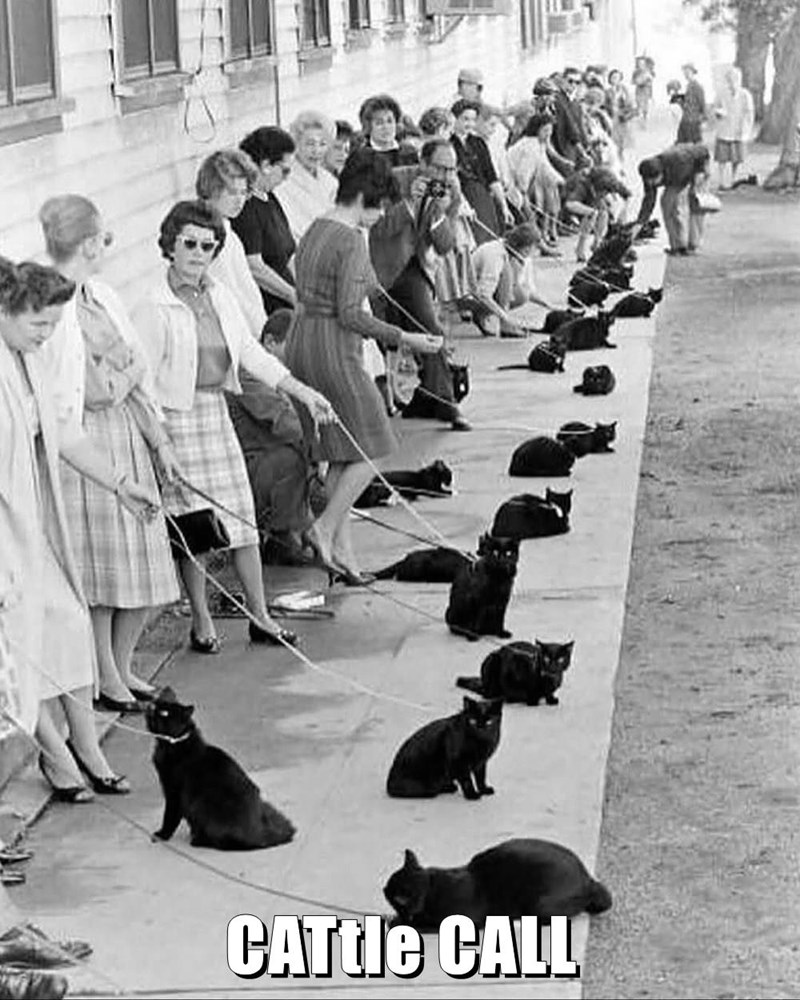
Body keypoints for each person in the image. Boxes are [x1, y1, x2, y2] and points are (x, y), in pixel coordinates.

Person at [133, 201, 336, 652]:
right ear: (169, 245)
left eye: (207, 246)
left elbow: (249, 352)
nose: (198, 253)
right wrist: (160, 440)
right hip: (176, 421)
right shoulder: (152, 304)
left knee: (241, 521)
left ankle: (260, 616)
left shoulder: (220, 294)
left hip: (214, 413)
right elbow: (141, 381)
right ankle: (201, 620)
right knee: (197, 528)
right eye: (189, 243)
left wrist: (302, 391)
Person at [1, 258, 159, 802]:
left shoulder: (28, 360)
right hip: (4, 531)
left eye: (52, 324)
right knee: (18, 646)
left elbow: (64, 433)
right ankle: (57, 754)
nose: (46, 335)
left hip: (30, 522)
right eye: (37, 323)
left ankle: (85, 746)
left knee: (68, 623)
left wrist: (121, 484)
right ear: (4, 311)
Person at [39, 195, 181, 716]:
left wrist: (158, 436)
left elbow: (136, 364)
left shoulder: (101, 294)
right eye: (102, 237)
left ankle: (123, 663)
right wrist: (120, 376)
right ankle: (104, 674)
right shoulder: (53, 305)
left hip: (124, 432)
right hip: (85, 443)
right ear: (84, 243)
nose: (107, 246)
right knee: (102, 570)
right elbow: (85, 390)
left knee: (140, 559)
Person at [284, 153, 442, 584]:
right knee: (375, 444)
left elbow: (304, 274)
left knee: (343, 450)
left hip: (302, 338)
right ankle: (322, 529)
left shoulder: (317, 226)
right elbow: (352, 313)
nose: (383, 214)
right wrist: (406, 338)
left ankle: (342, 555)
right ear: (366, 197)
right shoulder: (351, 237)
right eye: (382, 204)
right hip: (334, 347)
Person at [368, 138, 471, 429]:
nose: (445, 176)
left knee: (431, 328)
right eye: (439, 168)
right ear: (422, 163)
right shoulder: (394, 180)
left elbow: (445, 245)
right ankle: (386, 402)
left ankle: (444, 402)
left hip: (414, 267)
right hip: (380, 265)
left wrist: (440, 212)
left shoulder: (452, 189)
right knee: (378, 339)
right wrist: (410, 204)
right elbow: (379, 228)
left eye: (451, 170)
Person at [225, 309, 318, 566]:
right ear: (269, 342)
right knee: (294, 458)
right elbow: (283, 421)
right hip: (250, 464)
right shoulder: (248, 372)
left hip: (265, 458)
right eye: (294, 345)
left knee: (326, 485)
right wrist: (320, 447)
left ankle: (298, 530)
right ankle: (281, 539)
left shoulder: (279, 372)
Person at [197, 149, 266, 339]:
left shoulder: (225, 227)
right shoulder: (208, 236)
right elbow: (231, 295)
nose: (239, 200)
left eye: (243, 192)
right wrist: (258, 334)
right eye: (232, 192)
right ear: (211, 190)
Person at [232, 127, 297, 315]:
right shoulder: (245, 207)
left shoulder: (269, 197)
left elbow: (288, 254)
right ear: (266, 165)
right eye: (285, 171)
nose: (287, 178)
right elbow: (254, 266)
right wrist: (292, 294)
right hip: (269, 309)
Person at [470, 223, 553, 337]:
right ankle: (494, 320)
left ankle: (487, 315)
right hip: (469, 295)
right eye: (533, 248)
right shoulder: (495, 254)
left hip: (481, 292)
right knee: (508, 277)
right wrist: (507, 319)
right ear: (526, 248)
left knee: (522, 293)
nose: (534, 253)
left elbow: (529, 291)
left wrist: (548, 305)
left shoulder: (516, 254)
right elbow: (483, 294)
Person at [450, 99, 513, 246]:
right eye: (465, 119)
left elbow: (491, 176)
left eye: (473, 120)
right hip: (461, 197)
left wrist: (504, 206)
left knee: (489, 239)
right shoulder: (448, 144)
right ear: (455, 119)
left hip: (482, 197)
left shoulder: (478, 143)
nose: (469, 124)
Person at [635, 143, 711, 255]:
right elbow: (649, 201)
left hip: (698, 167)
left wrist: (701, 172)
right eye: (648, 182)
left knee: (695, 206)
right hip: (677, 177)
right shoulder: (648, 172)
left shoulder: (679, 161)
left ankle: (692, 245)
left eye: (654, 181)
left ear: (661, 174)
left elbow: (702, 151)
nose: (651, 184)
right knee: (668, 205)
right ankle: (677, 246)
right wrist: (640, 223)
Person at [506, 113, 570, 246]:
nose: (548, 134)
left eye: (550, 131)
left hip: (519, 184)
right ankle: (540, 244)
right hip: (513, 184)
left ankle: (540, 243)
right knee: (528, 217)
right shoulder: (530, 145)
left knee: (529, 217)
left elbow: (544, 165)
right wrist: (523, 191)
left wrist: (560, 180)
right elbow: (523, 171)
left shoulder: (538, 144)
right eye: (545, 130)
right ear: (537, 129)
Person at [274, 111, 337, 243]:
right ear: (296, 144)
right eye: (310, 144)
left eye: (322, 144)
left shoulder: (330, 181)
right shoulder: (283, 182)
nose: (316, 151)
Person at [563, 165, 631, 262]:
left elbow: (628, 196)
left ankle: (597, 244)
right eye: (602, 192)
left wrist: (623, 212)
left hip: (590, 200)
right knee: (592, 214)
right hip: (568, 204)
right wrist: (590, 211)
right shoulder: (582, 183)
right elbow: (569, 204)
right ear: (594, 186)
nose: (604, 194)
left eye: (606, 192)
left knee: (604, 213)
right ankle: (580, 248)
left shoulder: (612, 182)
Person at [712, 66, 754, 190]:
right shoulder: (721, 93)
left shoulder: (745, 95)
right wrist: (718, 112)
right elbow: (715, 107)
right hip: (724, 129)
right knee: (722, 157)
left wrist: (746, 129)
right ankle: (721, 180)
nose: (732, 83)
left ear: (739, 80)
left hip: (738, 130)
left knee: (737, 158)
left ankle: (733, 179)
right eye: (729, 80)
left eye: (734, 80)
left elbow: (749, 113)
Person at [358, 94, 418, 167]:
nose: (386, 127)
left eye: (389, 121)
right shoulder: (361, 157)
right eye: (379, 123)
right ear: (368, 127)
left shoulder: (409, 151)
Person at [552, 68, 591, 167]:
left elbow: (580, 126)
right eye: (570, 81)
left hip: (575, 148)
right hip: (561, 147)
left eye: (577, 82)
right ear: (563, 80)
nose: (573, 85)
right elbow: (571, 127)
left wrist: (586, 146)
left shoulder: (576, 103)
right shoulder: (558, 99)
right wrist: (582, 152)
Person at [605, 70, 635, 159]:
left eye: (617, 77)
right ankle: (616, 155)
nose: (615, 79)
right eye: (613, 77)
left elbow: (630, 103)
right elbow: (605, 104)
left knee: (621, 137)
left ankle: (620, 154)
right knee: (613, 137)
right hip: (611, 116)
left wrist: (626, 112)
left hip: (621, 117)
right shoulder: (607, 91)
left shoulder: (624, 90)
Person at [678, 62, 706, 143]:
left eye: (688, 72)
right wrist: (680, 103)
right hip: (686, 120)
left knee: (695, 144)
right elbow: (687, 104)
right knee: (682, 143)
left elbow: (702, 104)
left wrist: (704, 120)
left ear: (693, 73)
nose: (686, 75)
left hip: (694, 121)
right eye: (685, 73)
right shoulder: (687, 87)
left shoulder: (698, 87)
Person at [632, 56, 654, 124]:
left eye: (642, 63)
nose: (641, 65)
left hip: (646, 91)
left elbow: (650, 82)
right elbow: (633, 81)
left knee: (645, 105)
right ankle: (640, 119)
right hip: (639, 91)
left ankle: (645, 119)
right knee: (639, 104)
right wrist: (638, 81)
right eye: (639, 63)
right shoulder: (636, 72)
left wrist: (650, 94)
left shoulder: (648, 72)